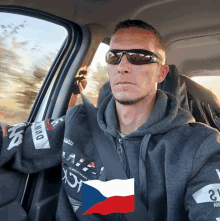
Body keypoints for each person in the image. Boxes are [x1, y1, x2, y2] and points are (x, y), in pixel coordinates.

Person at [0, 20, 220, 221]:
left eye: (139, 57)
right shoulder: (78, 123)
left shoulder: (200, 146)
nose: (122, 67)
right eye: (114, 57)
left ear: (161, 74)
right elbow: (13, 141)